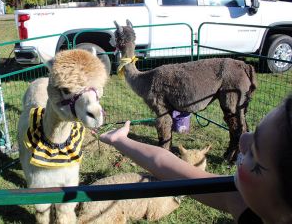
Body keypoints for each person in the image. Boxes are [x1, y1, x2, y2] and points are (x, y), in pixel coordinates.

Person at [99, 94, 292, 223]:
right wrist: (119, 140)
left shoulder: (242, 202)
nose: (242, 139)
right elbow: (163, 163)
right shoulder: (244, 200)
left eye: (254, 152)